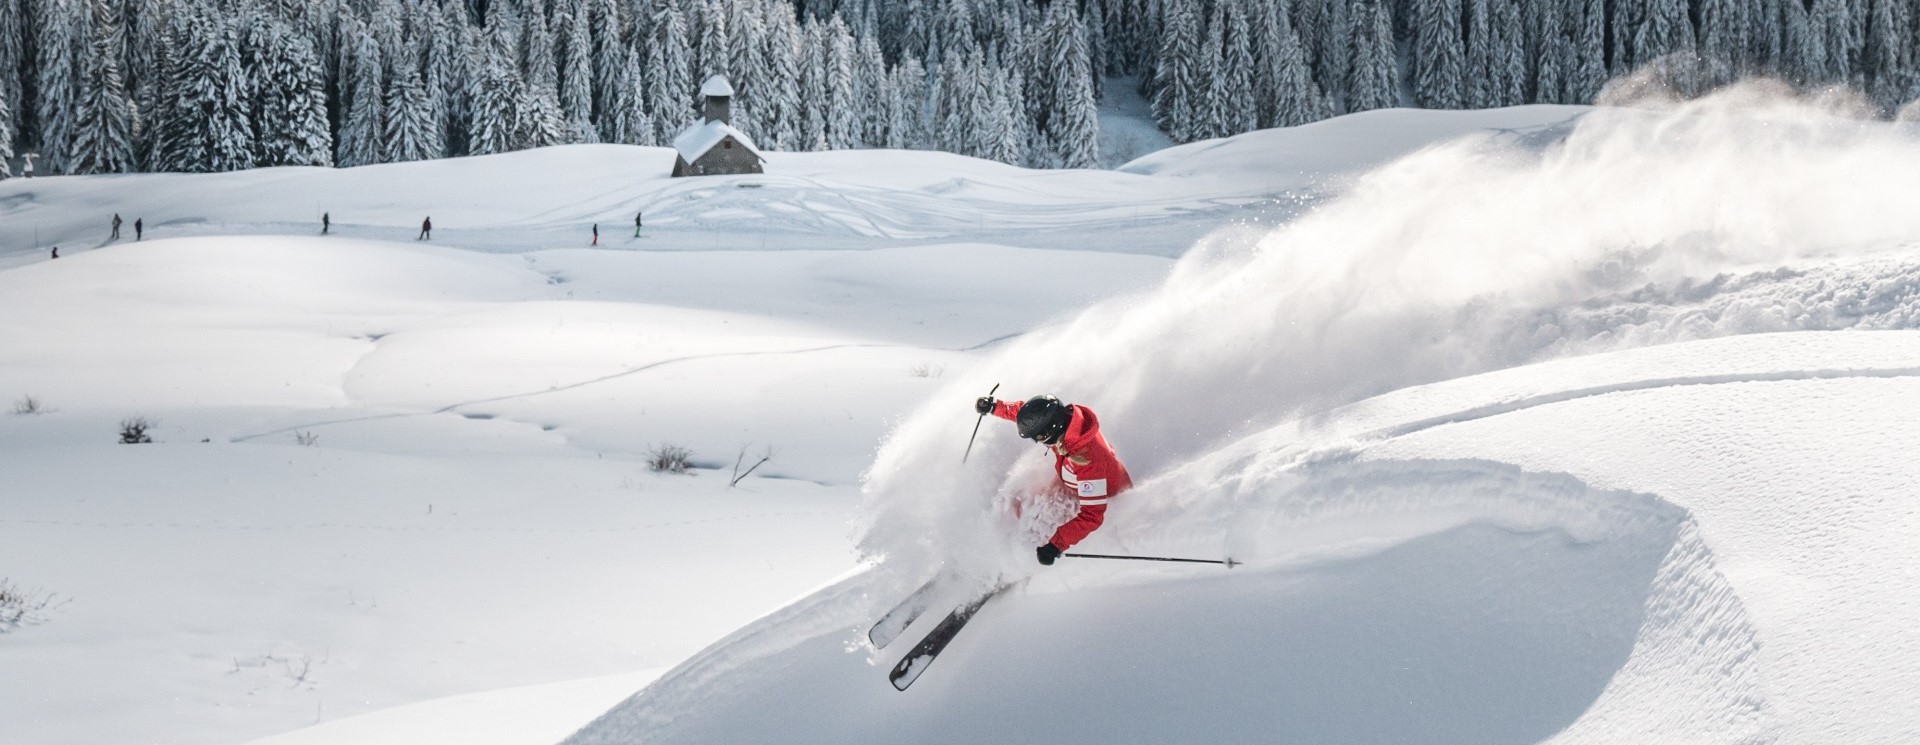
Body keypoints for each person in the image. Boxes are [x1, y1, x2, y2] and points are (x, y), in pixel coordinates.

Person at [975, 394, 1133, 565]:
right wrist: (995, 407)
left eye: (1039, 438)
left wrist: (1055, 546)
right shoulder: (1067, 424)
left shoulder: (1089, 460)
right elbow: (1032, 416)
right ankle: (1000, 544)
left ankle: (1009, 568)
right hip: (1072, 482)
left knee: (1035, 531)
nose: (1037, 442)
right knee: (1022, 503)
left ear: (1049, 433)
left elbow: (1092, 515)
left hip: (1101, 500)